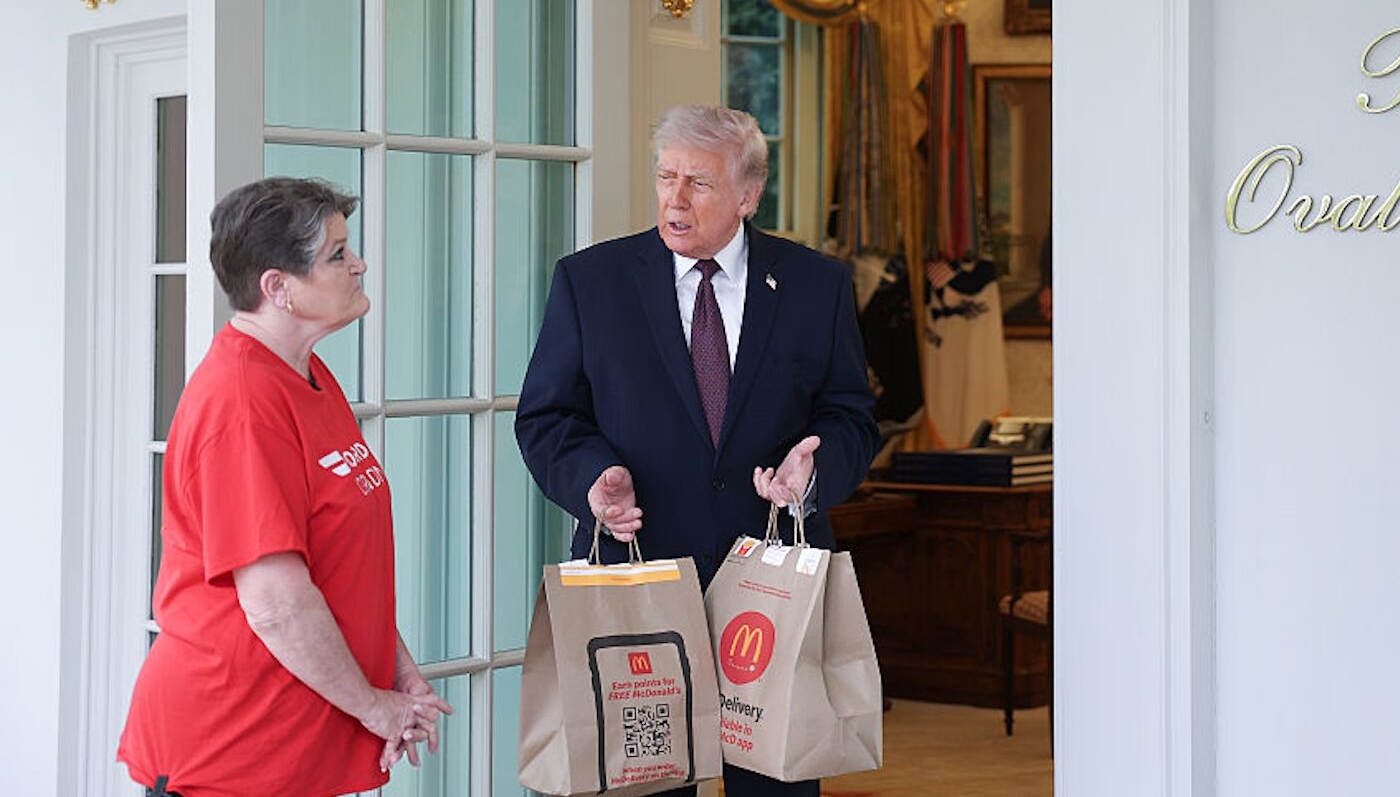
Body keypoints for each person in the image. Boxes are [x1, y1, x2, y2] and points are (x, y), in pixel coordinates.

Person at [516, 104, 879, 797]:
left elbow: (852, 417)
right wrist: (593, 479)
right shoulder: (591, 281)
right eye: (666, 177)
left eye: (699, 183)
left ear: (748, 195)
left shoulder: (816, 284)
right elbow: (547, 416)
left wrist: (812, 472)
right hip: (638, 580)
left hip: (772, 590)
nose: (675, 199)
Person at [118, 177, 453, 797]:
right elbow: (275, 603)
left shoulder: (306, 373)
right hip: (233, 747)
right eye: (337, 255)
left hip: (296, 742)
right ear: (278, 288)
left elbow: (339, 565)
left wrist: (396, 669)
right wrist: (372, 706)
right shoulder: (242, 401)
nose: (360, 265)